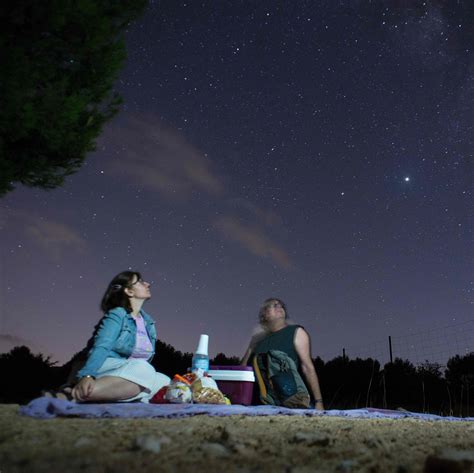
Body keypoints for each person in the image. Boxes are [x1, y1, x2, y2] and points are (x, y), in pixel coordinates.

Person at [52, 271, 170, 402]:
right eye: (141, 282)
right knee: (144, 369)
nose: (147, 284)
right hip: (101, 365)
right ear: (129, 292)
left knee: (164, 382)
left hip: (127, 370)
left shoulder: (148, 322)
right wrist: (88, 374)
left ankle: (102, 395)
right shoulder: (117, 314)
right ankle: (72, 395)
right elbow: (102, 345)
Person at [241, 297, 324, 410]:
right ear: (264, 315)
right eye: (273, 305)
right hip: (258, 405)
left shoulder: (296, 332)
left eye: (280, 305)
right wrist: (251, 346)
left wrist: (319, 402)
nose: (279, 306)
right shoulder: (257, 340)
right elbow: (242, 371)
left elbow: (307, 367)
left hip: (289, 404)